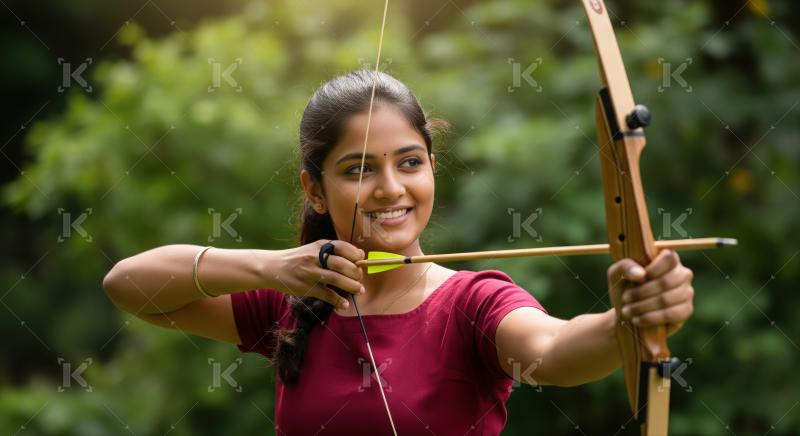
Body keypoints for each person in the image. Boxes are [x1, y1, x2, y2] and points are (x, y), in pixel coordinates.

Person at [102, 70, 695, 435]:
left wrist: (628, 320)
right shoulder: (295, 301)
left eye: (409, 162)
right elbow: (129, 284)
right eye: (359, 169)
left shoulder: (472, 302)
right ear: (314, 188)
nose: (390, 188)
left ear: (432, 168)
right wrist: (271, 268)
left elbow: (557, 351)